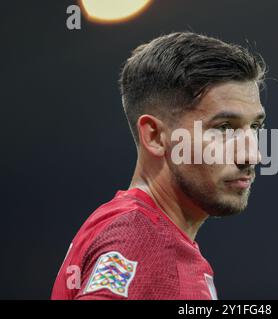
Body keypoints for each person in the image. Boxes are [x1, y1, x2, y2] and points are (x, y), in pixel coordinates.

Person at [51, 32, 267, 300]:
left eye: (255, 127)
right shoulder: (138, 240)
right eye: (223, 128)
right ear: (154, 136)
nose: (253, 155)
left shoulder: (146, 233)